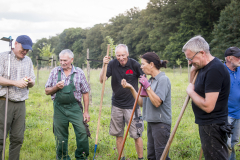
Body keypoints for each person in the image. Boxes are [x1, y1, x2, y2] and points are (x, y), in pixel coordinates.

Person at [183, 35, 231, 160]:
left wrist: (190, 92)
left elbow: (208, 106)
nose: (189, 62)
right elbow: (195, 85)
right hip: (207, 124)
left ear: (202, 53)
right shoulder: (203, 67)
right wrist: (193, 71)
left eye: (190, 58)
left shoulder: (214, 70)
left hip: (213, 125)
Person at [121, 52, 172, 160]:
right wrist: (131, 88)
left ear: (151, 64)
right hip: (151, 122)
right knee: (151, 156)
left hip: (161, 124)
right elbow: (141, 103)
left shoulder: (163, 79)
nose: (141, 66)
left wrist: (147, 87)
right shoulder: (150, 80)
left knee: (161, 156)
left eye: (143, 64)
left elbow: (157, 102)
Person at [99, 44, 144, 160]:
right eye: (118, 55)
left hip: (133, 106)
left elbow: (144, 81)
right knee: (118, 135)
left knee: (137, 134)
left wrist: (141, 94)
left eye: (123, 55)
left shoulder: (134, 64)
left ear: (127, 54)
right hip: (117, 106)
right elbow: (102, 80)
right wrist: (104, 65)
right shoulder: (112, 64)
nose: (121, 58)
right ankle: (122, 158)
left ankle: (140, 158)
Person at [45, 49, 90, 160]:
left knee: (82, 133)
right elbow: (47, 91)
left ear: (71, 59)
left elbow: (85, 92)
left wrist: (86, 111)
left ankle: (81, 156)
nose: (62, 62)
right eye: (61, 60)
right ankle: (63, 157)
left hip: (75, 107)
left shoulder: (79, 72)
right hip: (59, 108)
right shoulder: (55, 71)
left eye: (65, 60)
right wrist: (56, 87)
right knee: (60, 137)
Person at [0, 35, 35, 160]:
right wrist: (15, 83)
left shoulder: (28, 61)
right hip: (5, 102)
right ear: (16, 44)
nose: (25, 51)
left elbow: (33, 82)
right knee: (0, 138)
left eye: (27, 49)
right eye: (23, 48)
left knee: (18, 138)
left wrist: (29, 82)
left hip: (20, 104)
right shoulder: (4, 57)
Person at [224, 47, 240, 160]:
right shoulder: (221, 71)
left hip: (238, 113)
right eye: (238, 57)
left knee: (234, 142)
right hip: (225, 114)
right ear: (229, 58)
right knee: (227, 144)